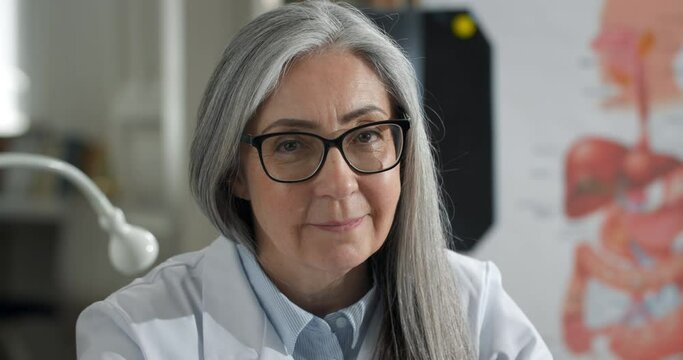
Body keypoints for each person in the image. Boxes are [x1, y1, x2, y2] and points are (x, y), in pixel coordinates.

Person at [76, 1, 552, 359]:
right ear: (234, 171)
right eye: (291, 145)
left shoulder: (476, 305)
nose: (339, 184)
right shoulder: (135, 334)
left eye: (366, 135)